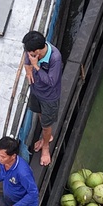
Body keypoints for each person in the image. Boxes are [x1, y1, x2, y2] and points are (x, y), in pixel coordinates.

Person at [22, 30, 63, 166]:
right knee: (40, 114)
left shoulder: (54, 58)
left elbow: (52, 81)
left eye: (32, 53)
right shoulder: (32, 52)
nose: (30, 55)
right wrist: (28, 68)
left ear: (38, 51)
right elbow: (26, 57)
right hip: (36, 91)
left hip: (49, 97)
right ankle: (46, 136)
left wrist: (35, 66)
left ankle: (46, 147)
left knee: (46, 125)